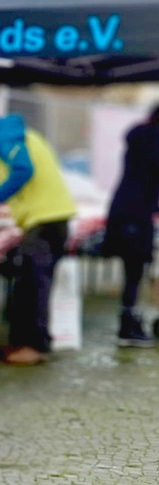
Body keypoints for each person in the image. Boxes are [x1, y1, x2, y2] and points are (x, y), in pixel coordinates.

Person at [0, 108, 76, 365]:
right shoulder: (16, 136)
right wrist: (9, 204)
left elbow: (23, 170)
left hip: (45, 220)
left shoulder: (3, 139)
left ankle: (34, 347)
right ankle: (24, 342)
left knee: (34, 284)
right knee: (29, 282)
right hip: (49, 218)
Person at [101, 106, 159, 348]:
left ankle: (130, 322)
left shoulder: (141, 136)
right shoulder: (152, 140)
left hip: (127, 209)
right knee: (135, 270)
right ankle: (128, 327)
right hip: (135, 213)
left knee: (134, 271)